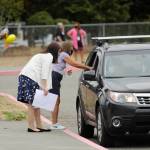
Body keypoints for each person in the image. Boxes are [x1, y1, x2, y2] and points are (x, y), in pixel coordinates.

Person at [17, 42, 60, 132]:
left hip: (26, 77)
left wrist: (46, 87)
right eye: (59, 51)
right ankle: (31, 126)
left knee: (36, 104)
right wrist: (45, 88)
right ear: (56, 51)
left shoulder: (43, 55)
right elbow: (44, 73)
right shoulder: (49, 56)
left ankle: (39, 125)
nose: (59, 54)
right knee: (31, 104)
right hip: (29, 77)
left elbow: (45, 74)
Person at [49, 40, 92, 129]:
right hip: (54, 77)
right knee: (55, 101)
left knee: (56, 100)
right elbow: (74, 63)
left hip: (54, 76)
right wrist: (87, 67)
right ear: (68, 47)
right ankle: (54, 124)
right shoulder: (64, 54)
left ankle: (54, 123)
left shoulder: (60, 54)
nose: (73, 48)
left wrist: (66, 70)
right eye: (72, 47)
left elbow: (59, 65)